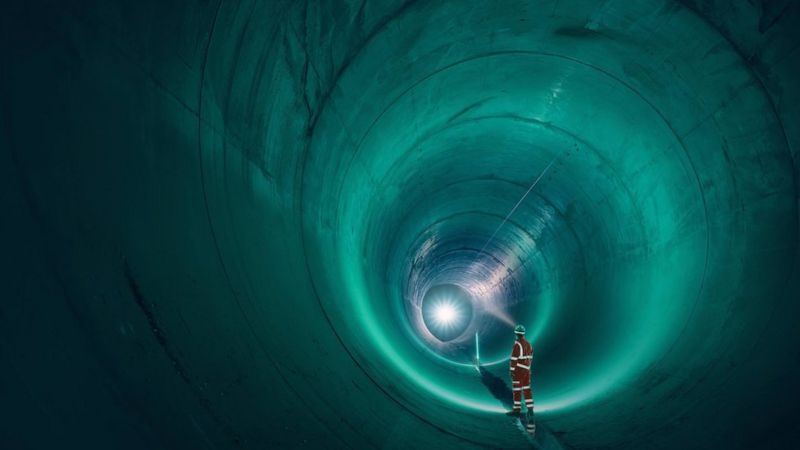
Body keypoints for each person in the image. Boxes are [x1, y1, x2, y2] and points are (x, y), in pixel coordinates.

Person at [507, 324, 534, 426]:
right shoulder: (529, 345)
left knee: (517, 390)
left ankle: (516, 410)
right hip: (527, 371)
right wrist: (527, 369)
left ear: (516, 334)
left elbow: (514, 359)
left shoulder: (517, 345)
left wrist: (512, 370)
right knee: (527, 390)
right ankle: (530, 410)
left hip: (518, 371)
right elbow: (530, 359)